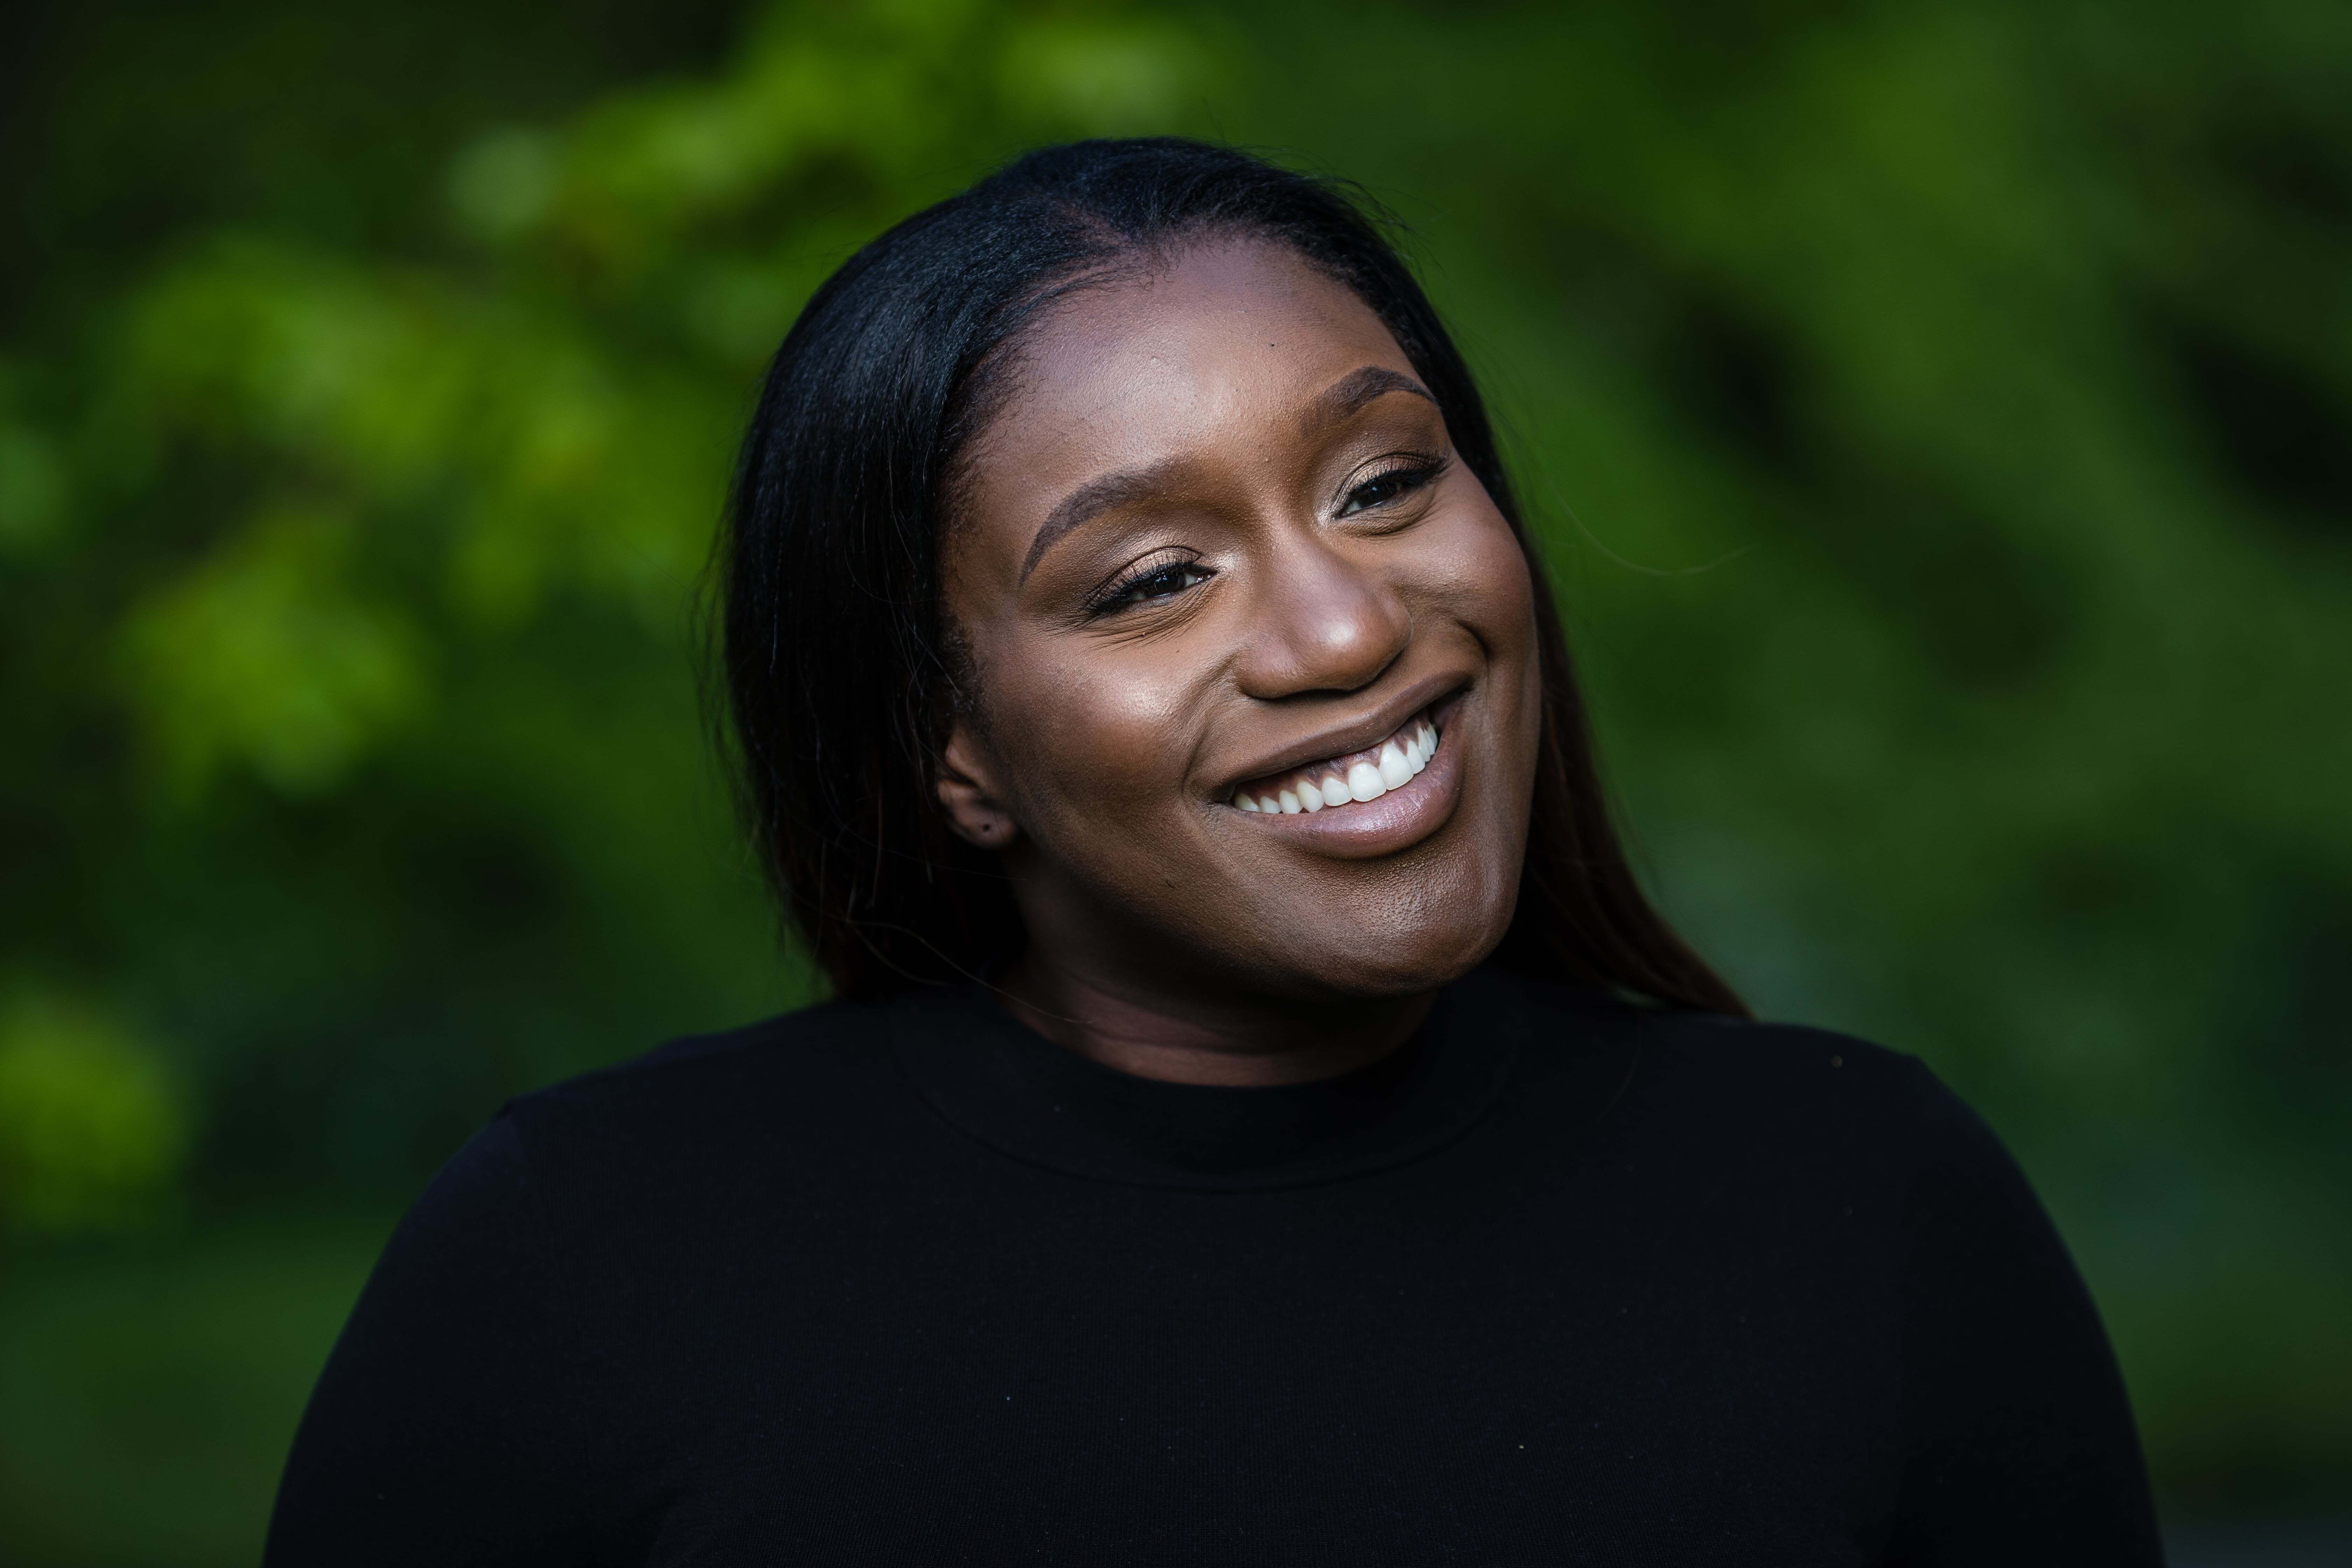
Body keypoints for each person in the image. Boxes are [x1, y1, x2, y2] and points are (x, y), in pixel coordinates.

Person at [266, 138, 2162, 1564]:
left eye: (1384, 483)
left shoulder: (1860, 1204)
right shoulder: (591, 1263)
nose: (1342, 631)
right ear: (950, 751)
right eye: (1154, 580)